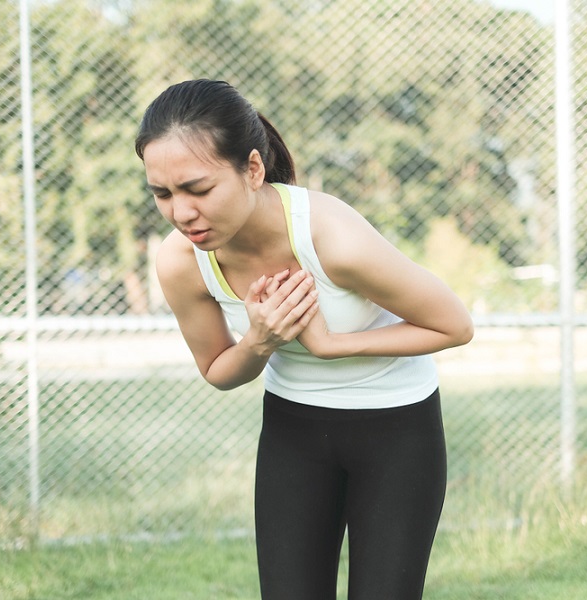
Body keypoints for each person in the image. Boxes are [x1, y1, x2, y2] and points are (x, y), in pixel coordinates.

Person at [134, 79, 474, 600]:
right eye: (163, 194)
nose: (181, 213)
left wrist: (332, 344)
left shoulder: (332, 238)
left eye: (198, 189)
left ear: (252, 169)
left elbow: (454, 324)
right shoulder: (181, 262)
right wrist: (259, 342)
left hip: (397, 431)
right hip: (294, 432)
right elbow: (217, 371)